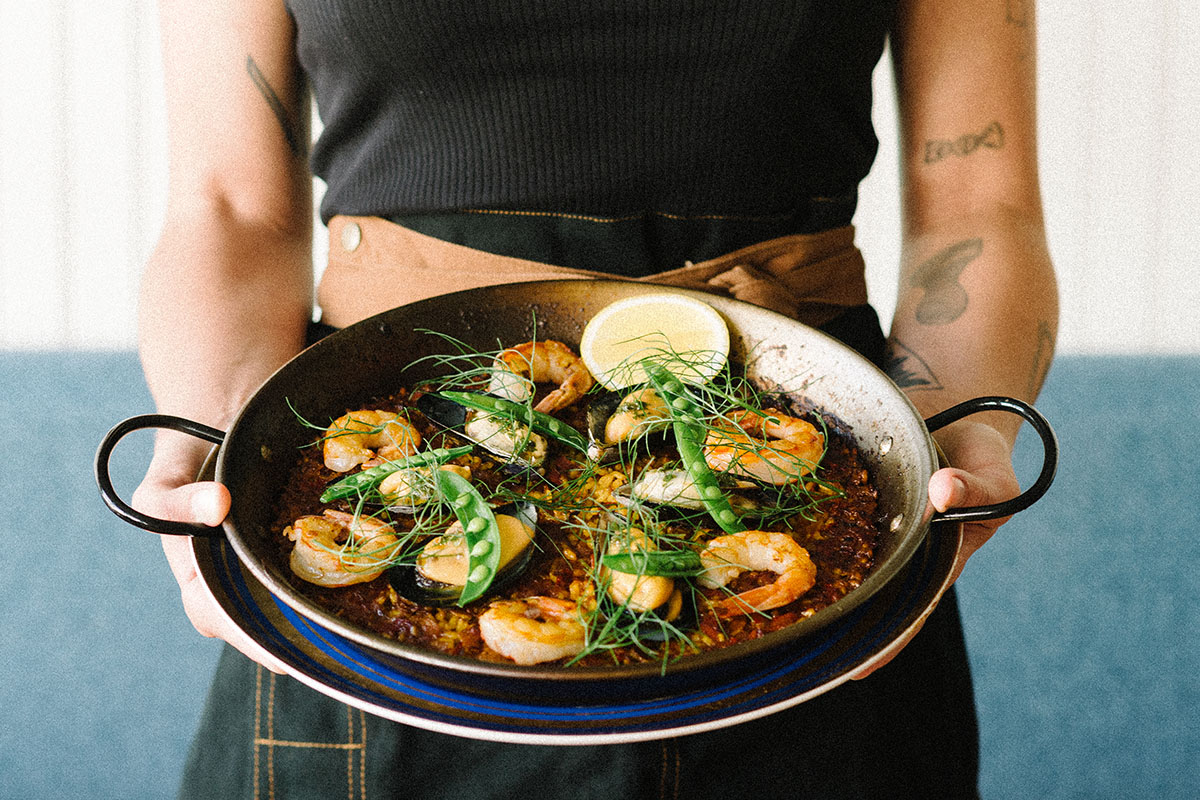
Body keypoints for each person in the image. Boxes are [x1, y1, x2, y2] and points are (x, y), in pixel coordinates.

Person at [133, 0, 1057, 797]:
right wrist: (205, 439)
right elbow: (228, 207)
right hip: (381, 548)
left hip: (819, 483)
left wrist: (963, 423)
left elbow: (980, 204)